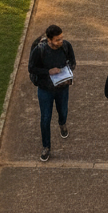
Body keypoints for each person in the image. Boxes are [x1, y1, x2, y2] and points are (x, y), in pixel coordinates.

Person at [28, 25, 76, 161]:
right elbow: (31, 68)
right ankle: (46, 147)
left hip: (62, 89)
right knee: (45, 118)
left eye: (61, 38)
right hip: (45, 90)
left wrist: (67, 74)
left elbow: (73, 62)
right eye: (57, 40)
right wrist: (48, 71)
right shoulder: (39, 50)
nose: (60, 42)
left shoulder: (66, 46)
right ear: (49, 39)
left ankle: (62, 124)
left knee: (63, 112)